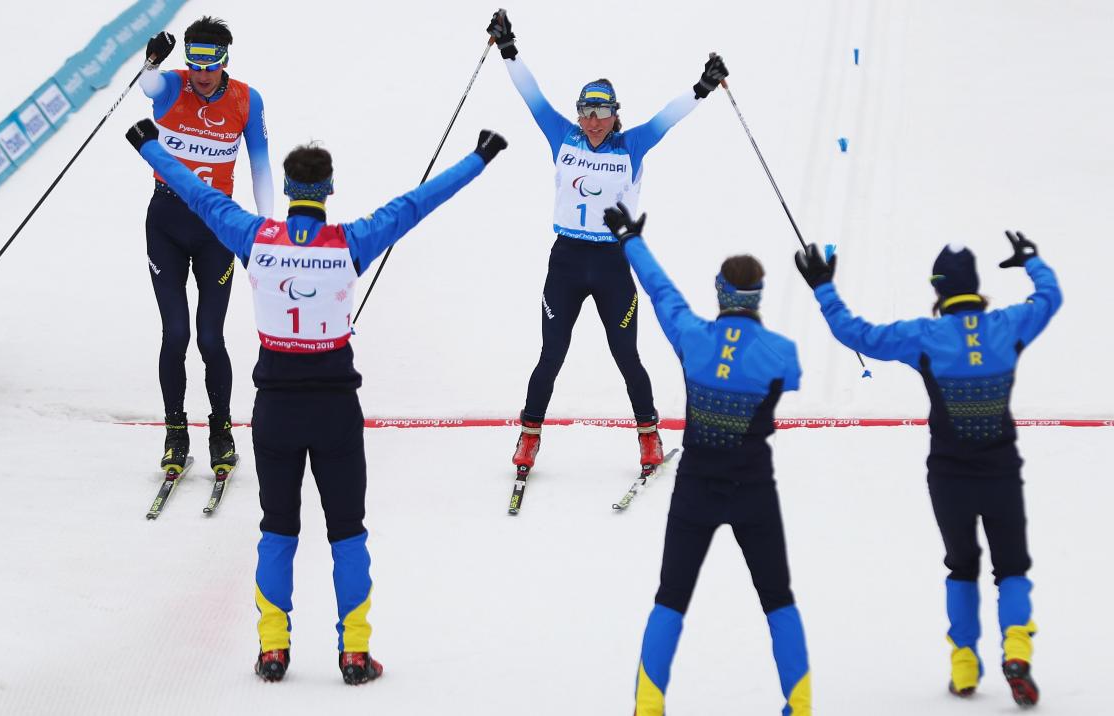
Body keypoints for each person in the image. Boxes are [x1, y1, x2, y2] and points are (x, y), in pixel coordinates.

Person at [125, 117, 507, 684]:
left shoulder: (255, 237)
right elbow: (416, 204)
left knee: (278, 528)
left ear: (286, 190)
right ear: (328, 190)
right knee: (347, 530)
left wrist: (150, 146)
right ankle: (354, 652)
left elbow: (197, 193)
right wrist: (478, 159)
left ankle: (272, 650)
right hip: (335, 412)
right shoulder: (350, 241)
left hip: (275, 410)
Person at [794, 232, 1061, 706]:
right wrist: (1032, 262)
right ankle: (1016, 652)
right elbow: (1050, 297)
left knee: (961, 565)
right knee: (1012, 567)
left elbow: (856, 333)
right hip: (1001, 471)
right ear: (974, 286)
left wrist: (823, 286)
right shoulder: (1010, 325)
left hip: (949, 477)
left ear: (938, 291)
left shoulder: (924, 336)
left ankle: (963, 667)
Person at [485, 9, 729, 473]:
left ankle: (649, 436)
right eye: (586, 111)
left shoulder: (631, 145)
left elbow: (667, 119)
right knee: (551, 354)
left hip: (614, 263)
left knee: (625, 355)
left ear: (616, 115)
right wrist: (508, 48)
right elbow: (530, 95)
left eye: (601, 112)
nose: (593, 121)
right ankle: (529, 437)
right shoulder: (563, 136)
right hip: (568, 260)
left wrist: (702, 88)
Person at [604, 204, 812, 716]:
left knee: (671, 596)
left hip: (696, 487)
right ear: (757, 297)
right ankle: (800, 707)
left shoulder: (692, 337)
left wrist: (631, 240)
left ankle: (648, 707)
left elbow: (660, 290)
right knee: (778, 598)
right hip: (754, 490)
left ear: (719, 293)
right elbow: (787, 379)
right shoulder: (782, 352)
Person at [139, 17, 274, 474]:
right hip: (167, 221)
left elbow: (260, 169)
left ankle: (221, 428)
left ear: (224, 61)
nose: (200, 72)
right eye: (193, 61)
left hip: (218, 226)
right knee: (175, 334)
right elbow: (147, 86)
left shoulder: (245, 100)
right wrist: (151, 60)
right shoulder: (171, 86)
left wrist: (265, 229)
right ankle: (175, 430)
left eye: (209, 63)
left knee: (211, 337)